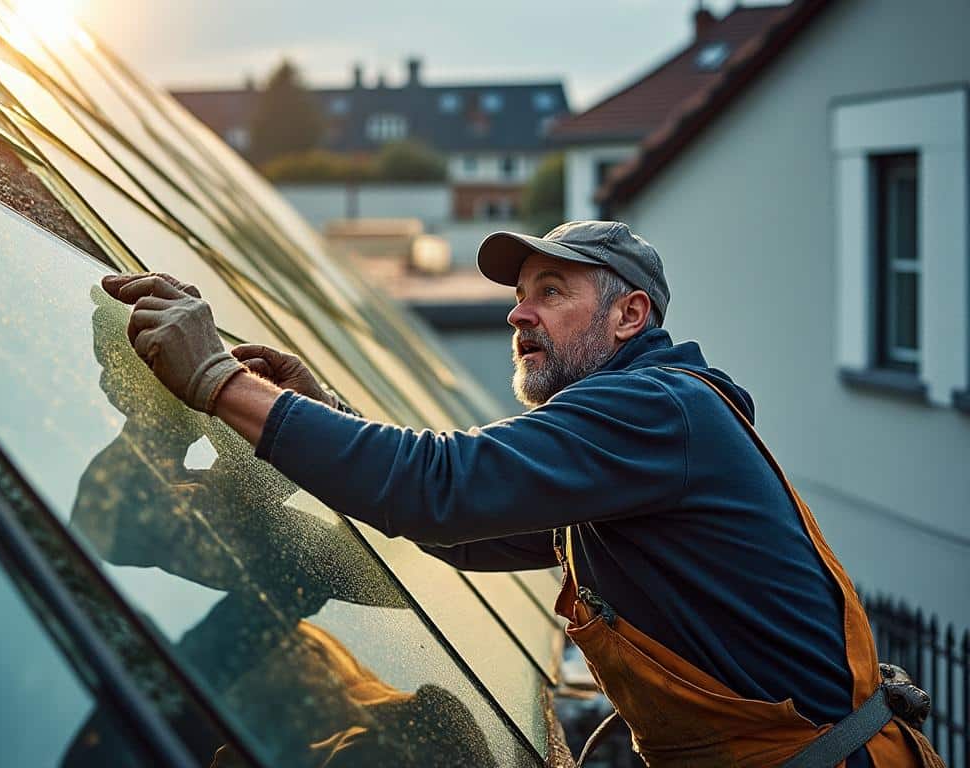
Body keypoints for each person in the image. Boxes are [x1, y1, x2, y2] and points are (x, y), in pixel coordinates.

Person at [101, 220, 942, 767]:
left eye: (551, 292)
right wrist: (323, 407)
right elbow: (461, 533)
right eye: (516, 296)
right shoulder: (638, 434)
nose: (518, 315)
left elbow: (440, 489)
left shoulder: (654, 408)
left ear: (629, 318)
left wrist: (218, 381)